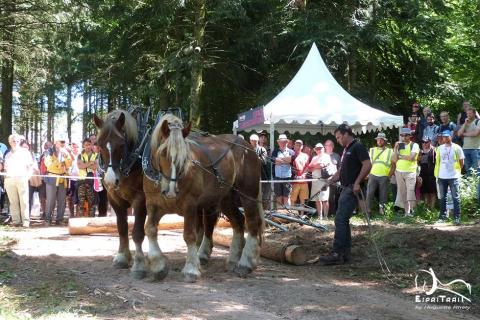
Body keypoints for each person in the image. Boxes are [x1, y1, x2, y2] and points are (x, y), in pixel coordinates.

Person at [320, 124, 371, 265]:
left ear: (346, 134)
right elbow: (341, 170)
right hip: (345, 188)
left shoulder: (357, 147)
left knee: (340, 219)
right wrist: (330, 181)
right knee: (343, 220)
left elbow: (367, 164)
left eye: (338, 137)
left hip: (351, 189)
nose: (337, 140)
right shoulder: (346, 150)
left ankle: (337, 253)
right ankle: (345, 254)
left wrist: (357, 182)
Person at [3, 134, 34, 227]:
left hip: (22, 178)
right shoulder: (7, 154)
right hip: (9, 179)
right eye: (13, 141)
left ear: (19, 142)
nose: (15, 142)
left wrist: (28, 177)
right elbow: (5, 168)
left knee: (24, 200)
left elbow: (30, 167)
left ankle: (25, 221)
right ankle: (16, 221)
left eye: (17, 141)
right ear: (9, 142)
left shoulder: (25, 152)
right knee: (13, 202)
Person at [434, 130, 464, 224]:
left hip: (453, 176)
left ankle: (457, 217)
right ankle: (442, 217)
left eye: (447, 136)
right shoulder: (439, 148)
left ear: (450, 137)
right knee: (442, 198)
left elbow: (461, 162)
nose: (445, 138)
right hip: (441, 176)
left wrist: (457, 171)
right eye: (444, 137)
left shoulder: (457, 147)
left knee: (455, 197)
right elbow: (437, 161)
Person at [44, 136, 73, 225]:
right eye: (61, 142)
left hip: (62, 178)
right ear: (56, 142)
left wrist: (65, 158)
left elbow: (69, 164)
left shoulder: (65, 152)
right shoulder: (48, 152)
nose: (62, 144)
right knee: (50, 200)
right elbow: (48, 164)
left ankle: (59, 219)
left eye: (64, 142)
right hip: (52, 177)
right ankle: (48, 219)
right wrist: (60, 163)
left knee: (62, 200)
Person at [393, 127, 419, 217]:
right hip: (399, 171)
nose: (404, 137)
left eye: (406, 135)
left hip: (410, 171)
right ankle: (406, 212)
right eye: (402, 135)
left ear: (410, 136)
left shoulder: (414, 145)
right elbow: (394, 159)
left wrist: (400, 156)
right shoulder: (399, 146)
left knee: (410, 191)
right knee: (403, 192)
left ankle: (411, 210)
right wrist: (395, 149)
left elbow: (411, 157)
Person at [366, 132, 393, 215]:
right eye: (378, 139)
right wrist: (367, 174)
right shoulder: (372, 150)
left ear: (384, 141)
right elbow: (368, 163)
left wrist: (389, 175)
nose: (379, 141)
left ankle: (382, 211)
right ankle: (368, 211)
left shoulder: (390, 151)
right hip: (373, 174)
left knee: (383, 194)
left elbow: (393, 164)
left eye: (381, 140)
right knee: (369, 193)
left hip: (384, 175)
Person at [308, 143, 333, 219]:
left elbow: (322, 165)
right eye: (317, 148)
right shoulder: (314, 157)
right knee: (317, 199)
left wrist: (314, 165)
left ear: (323, 149)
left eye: (320, 148)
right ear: (315, 150)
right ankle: (320, 216)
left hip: (323, 180)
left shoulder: (326, 156)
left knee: (325, 199)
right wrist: (317, 165)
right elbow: (309, 168)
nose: (318, 150)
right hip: (315, 180)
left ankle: (325, 216)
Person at [271, 134, 294, 207]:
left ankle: (288, 215)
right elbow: (274, 161)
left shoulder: (291, 152)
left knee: (287, 197)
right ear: (278, 142)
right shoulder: (275, 151)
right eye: (281, 142)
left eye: (284, 142)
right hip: (277, 177)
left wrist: (281, 160)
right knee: (278, 197)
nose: (282, 143)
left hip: (287, 178)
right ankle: (279, 216)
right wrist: (286, 160)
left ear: (287, 142)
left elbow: (291, 160)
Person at [249, 134, 271, 210]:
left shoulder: (262, 149)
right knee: (252, 196)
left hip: (262, 177)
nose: (254, 142)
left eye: (255, 141)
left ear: (258, 141)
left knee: (263, 197)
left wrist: (253, 157)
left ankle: (265, 213)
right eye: (252, 141)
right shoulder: (247, 149)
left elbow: (264, 161)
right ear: (250, 141)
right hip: (250, 177)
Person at [77, 138, 97, 217]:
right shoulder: (80, 155)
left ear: (91, 145)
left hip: (92, 181)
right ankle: (81, 221)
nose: (88, 146)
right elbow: (80, 166)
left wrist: (85, 164)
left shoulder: (96, 155)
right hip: (81, 180)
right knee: (81, 202)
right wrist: (91, 163)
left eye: (89, 145)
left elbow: (96, 167)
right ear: (83, 146)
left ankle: (91, 220)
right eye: (86, 145)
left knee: (92, 202)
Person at [457, 106, 480, 175]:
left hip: (476, 149)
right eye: (467, 114)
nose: (468, 115)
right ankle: (469, 185)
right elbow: (459, 134)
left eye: (470, 113)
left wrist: (464, 134)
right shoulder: (466, 123)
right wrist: (464, 125)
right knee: (468, 169)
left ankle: (476, 185)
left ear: (474, 114)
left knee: (476, 170)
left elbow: (476, 133)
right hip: (465, 149)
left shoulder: (478, 122)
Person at [418, 137, 437, 209]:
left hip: (432, 174)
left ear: (430, 142)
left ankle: (432, 208)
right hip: (423, 174)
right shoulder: (420, 151)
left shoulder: (434, 150)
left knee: (432, 192)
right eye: (423, 142)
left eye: (426, 142)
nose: (424, 144)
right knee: (425, 192)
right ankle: (426, 208)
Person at [290, 140, 310, 208]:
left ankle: (301, 216)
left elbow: (307, 166)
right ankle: (292, 214)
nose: (298, 146)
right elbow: (290, 168)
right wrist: (295, 174)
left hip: (304, 181)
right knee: (292, 199)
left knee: (302, 200)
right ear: (294, 146)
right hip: (294, 181)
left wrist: (303, 174)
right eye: (296, 145)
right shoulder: (292, 156)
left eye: (300, 145)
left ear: (302, 146)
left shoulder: (306, 155)